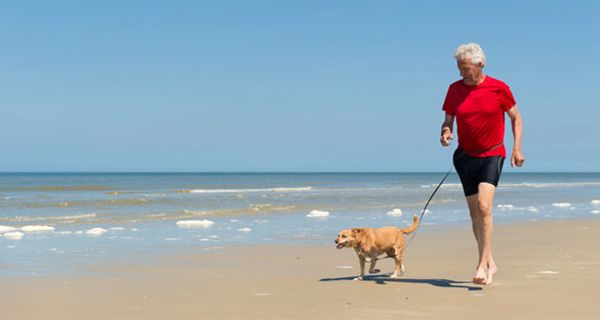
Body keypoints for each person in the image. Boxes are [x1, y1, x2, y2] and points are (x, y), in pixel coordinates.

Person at [440, 43, 525, 285]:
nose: (461, 73)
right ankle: (490, 262)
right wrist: (445, 132)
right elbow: (448, 121)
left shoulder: (499, 88)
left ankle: (480, 264)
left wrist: (517, 148)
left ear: (480, 65)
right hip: (465, 157)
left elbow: (516, 118)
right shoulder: (454, 90)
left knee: (484, 206)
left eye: (465, 68)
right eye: (459, 68)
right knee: (475, 215)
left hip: (492, 153)